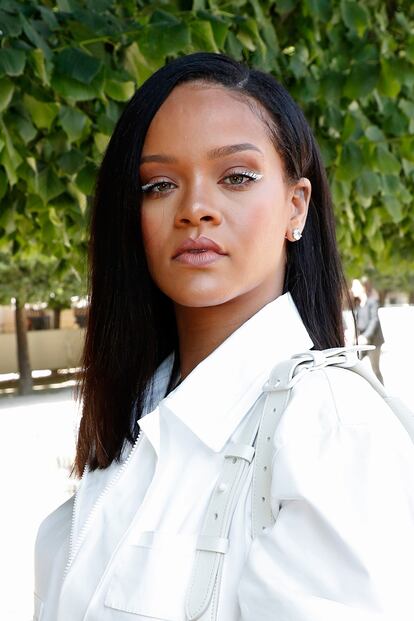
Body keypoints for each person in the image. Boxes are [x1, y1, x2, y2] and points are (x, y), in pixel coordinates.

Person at [34, 53, 414, 621]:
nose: (195, 209)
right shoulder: (137, 424)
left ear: (296, 205)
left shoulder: (327, 424)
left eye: (236, 177)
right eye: (160, 184)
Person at [352, 277, 385, 384]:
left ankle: (384, 395)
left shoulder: (372, 302)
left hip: (373, 342)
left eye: (355, 286)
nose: (352, 289)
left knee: (375, 370)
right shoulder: (359, 305)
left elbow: (374, 321)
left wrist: (366, 336)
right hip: (362, 342)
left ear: (363, 287)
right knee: (355, 366)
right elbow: (358, 324)